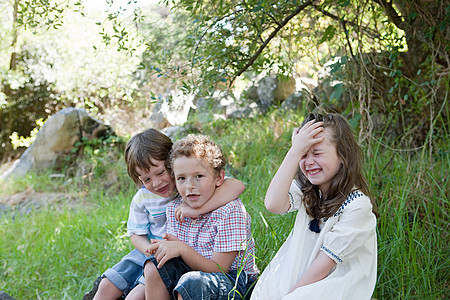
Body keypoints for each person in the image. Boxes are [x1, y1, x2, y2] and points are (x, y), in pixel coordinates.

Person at [91, 129, 245, 300]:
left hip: (194, 261)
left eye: (160, 173)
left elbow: (237, 186)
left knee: (144, 293)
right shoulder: (163, 202)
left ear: (171, 165)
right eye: (146, 179)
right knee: (111, 285)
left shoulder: (196, 191)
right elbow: (136, 235)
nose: (156, 183)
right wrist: (152, 250)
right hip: (152, 250)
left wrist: (197, 210)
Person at [251, 113, 377, 300]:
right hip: (298, 274)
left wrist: (291, 296)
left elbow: (324, 265)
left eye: (317, 153)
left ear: (342, 155)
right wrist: (294, 151)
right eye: (303, 154)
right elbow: (272, 204)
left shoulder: (357, 205)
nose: (309, 161)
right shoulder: (308, 190)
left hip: (332, 283)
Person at [143, 134, 259, 300]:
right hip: (195, 274)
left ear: (219, 178)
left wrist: (182, 248)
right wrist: (168, 247)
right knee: (153, 267)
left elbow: (219, 269)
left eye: (199, 176)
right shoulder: (175, 208)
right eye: (181, 178)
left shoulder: (230, 211)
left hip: (236, 283)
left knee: (191, 282)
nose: (190, 186)